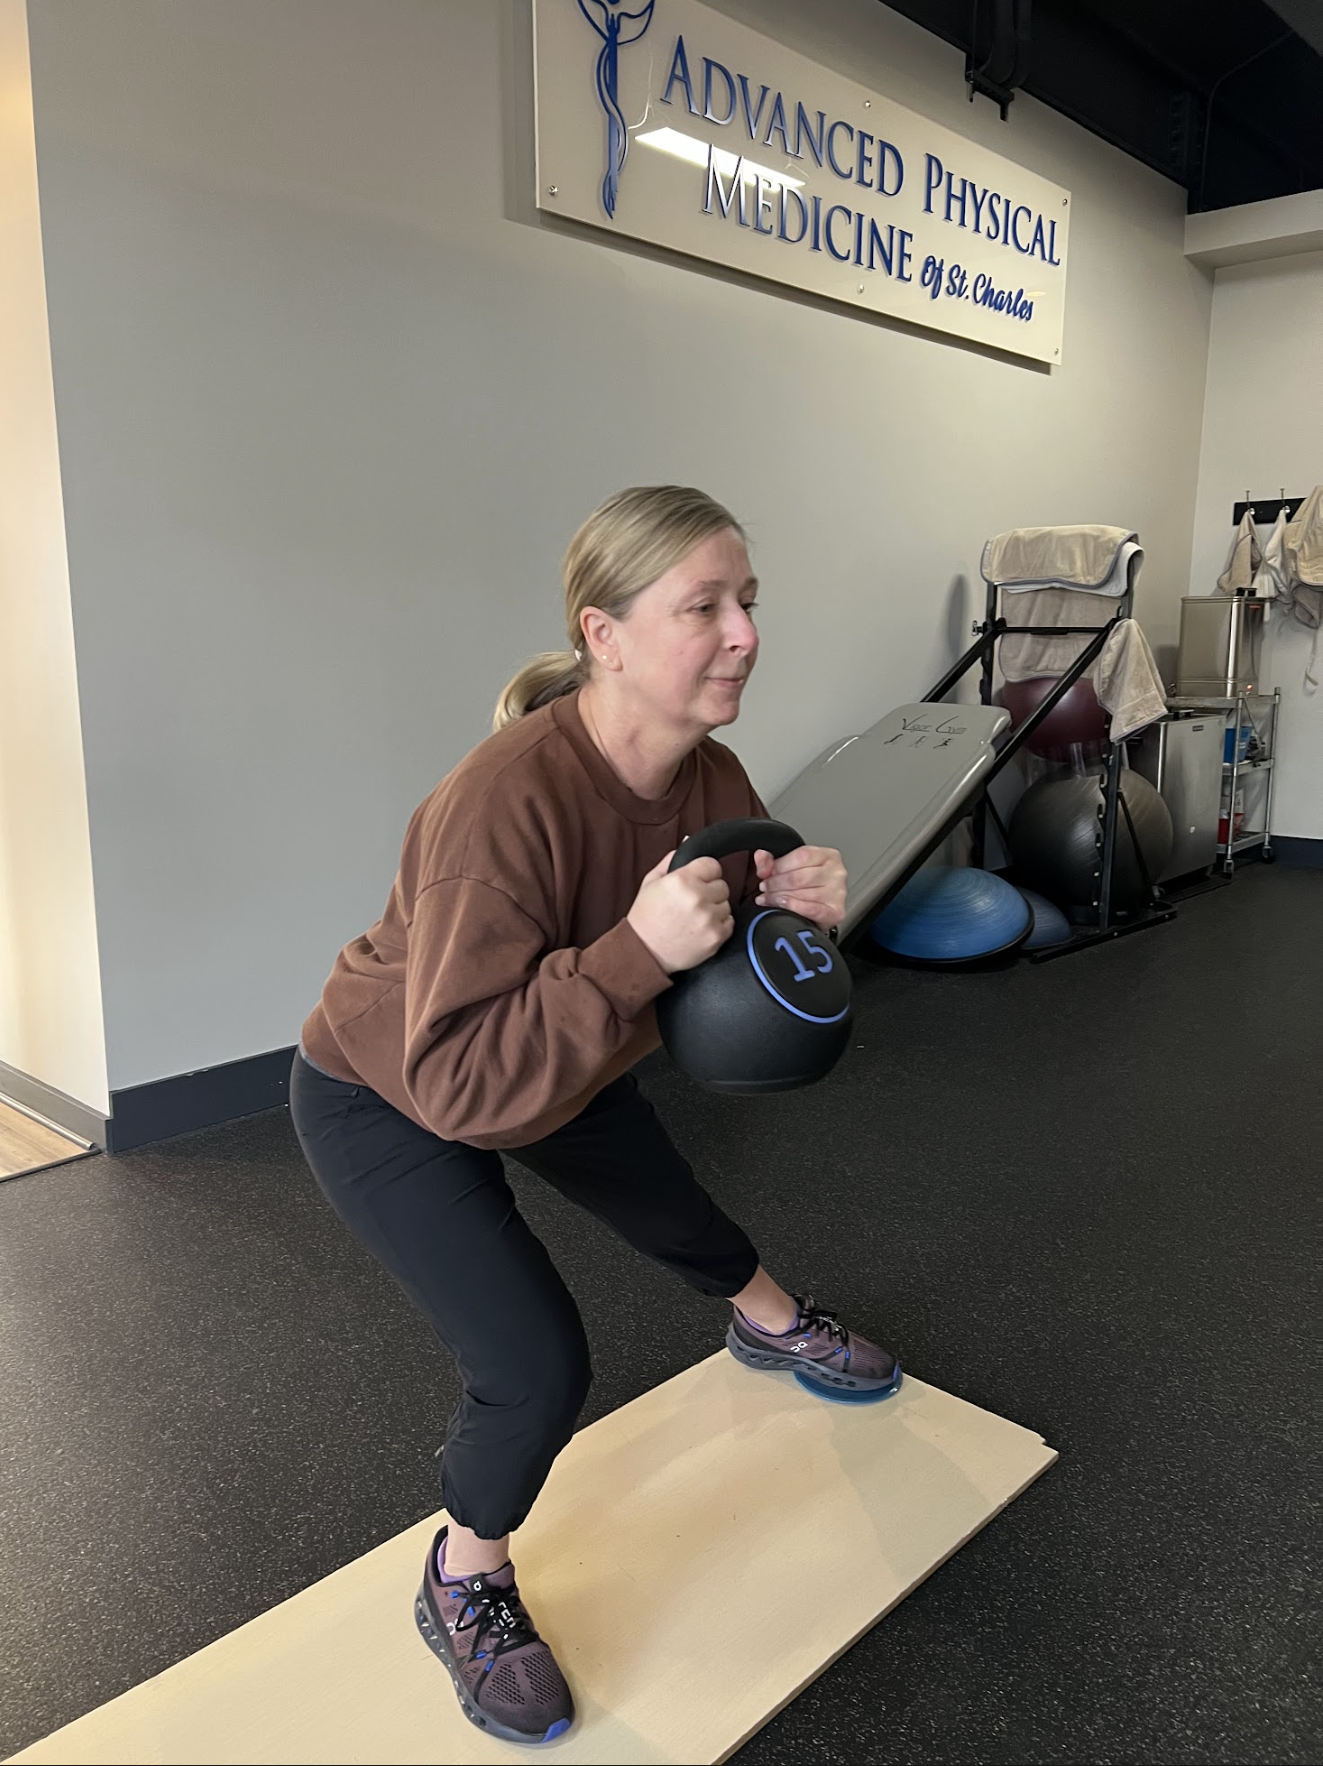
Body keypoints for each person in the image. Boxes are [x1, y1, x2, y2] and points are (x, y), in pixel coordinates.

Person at [288, 486, 900, 1747]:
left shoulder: (712, 769)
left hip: (557, 1052)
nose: (743, 633)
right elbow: (462, 1082)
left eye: (748, 602)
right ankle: (464, 1575)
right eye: (704, 607)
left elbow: (724, 957)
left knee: (674, 1201)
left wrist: (798, 904)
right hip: (391, 1091)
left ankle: (768, 1323)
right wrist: (629, 948)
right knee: (535, 1366)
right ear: (604, 632)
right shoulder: (500, 805)